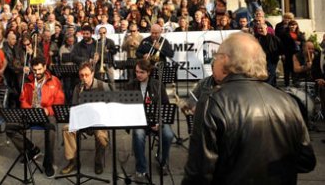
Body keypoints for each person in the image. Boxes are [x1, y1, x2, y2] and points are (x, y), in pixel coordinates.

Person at [182, 32, 316, 184]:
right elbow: (306, 161)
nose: (214, 62)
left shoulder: (212, 102)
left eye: (216, 57)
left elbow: (198, 175)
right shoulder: (289, 101)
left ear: (225, 60)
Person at [6, 56, 65, 178]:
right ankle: (31, 149)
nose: (37, 73)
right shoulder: (28, 80)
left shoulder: (55, 81)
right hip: (31, 112)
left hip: (47, 114)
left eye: (39, 69)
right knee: (9, 127)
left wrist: (47, 110)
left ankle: (48, 163)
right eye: (35, 70)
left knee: (51, 128)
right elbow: (22, 100)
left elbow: (59, 101)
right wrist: (29, 109)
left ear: (45, 67)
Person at [126, 59, 174, 182]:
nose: (138, 75)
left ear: (149, 72)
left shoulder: (158, 85)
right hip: (139, 121)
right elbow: (126, 108)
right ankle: (141, 168)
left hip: (156, 119)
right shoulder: (130, 85)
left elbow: (165, 105)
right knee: (138, 133)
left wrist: (159, 122)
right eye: (136, 72)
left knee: (168, 135)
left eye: (141, 72)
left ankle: (162, 160)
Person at [60, 62, 110, 175]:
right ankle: (73, 162)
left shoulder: (103, 86)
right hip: (83, 120)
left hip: (98, 121)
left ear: (92, 73)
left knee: (101, 136)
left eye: (87, 75)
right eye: (81, 75)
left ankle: (98, 161)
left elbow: (110, 107)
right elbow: (73, 108)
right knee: (67, 129)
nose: (84, 78)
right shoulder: (78, 88)